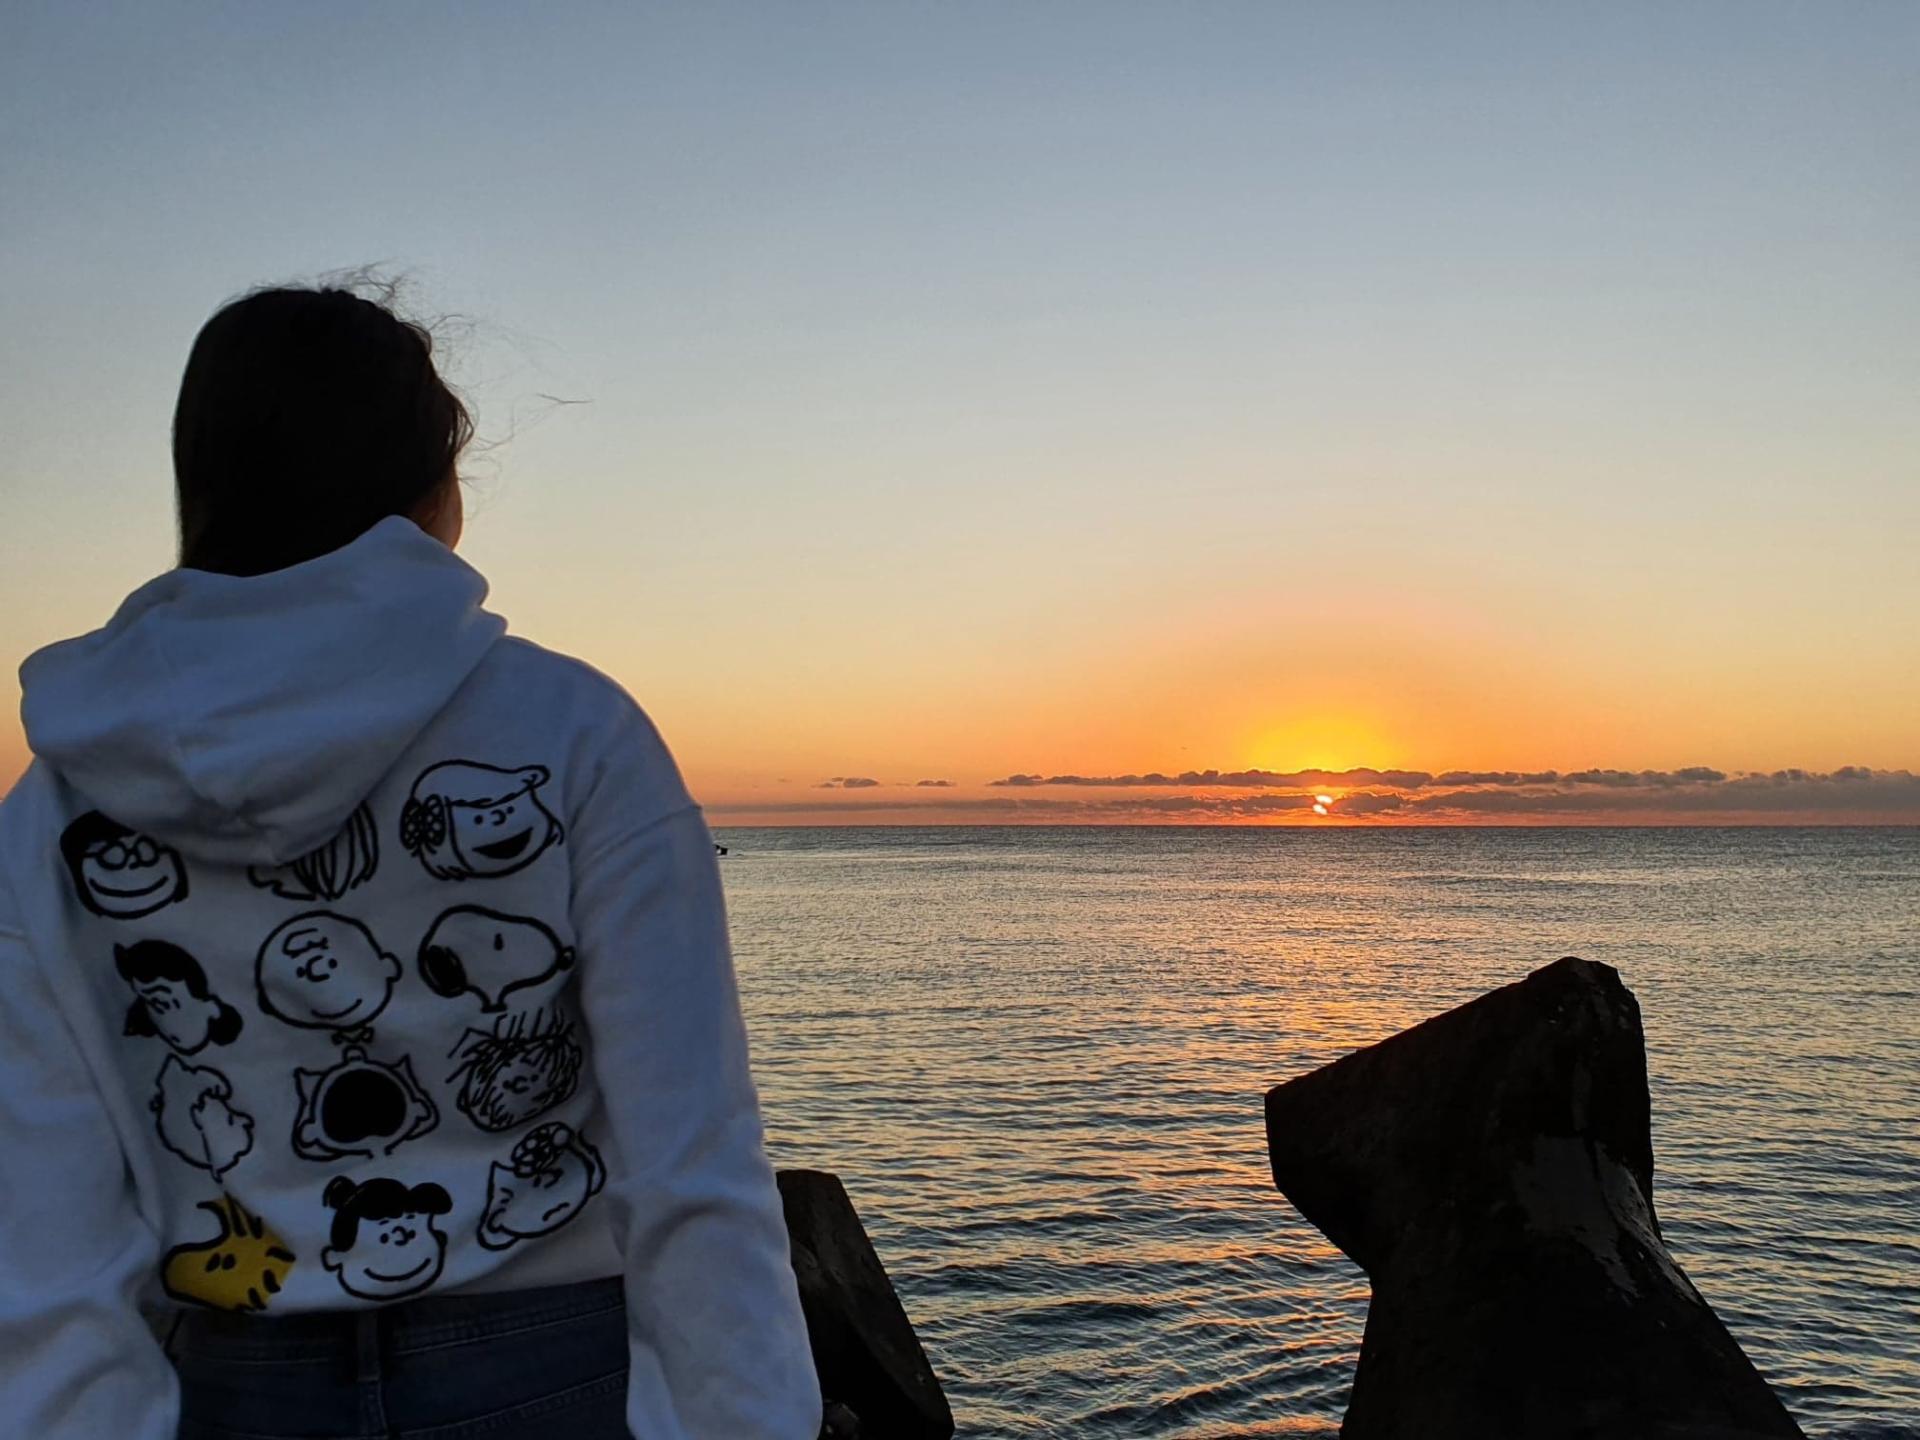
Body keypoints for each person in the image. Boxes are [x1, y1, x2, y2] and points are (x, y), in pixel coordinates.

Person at [0, 283, 822, 1439]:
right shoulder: (574, 733)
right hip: (555, 1372)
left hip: (229, 1383)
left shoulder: (57, 800)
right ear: (429, 494)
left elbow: (44, 1231)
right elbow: (691, 1159)